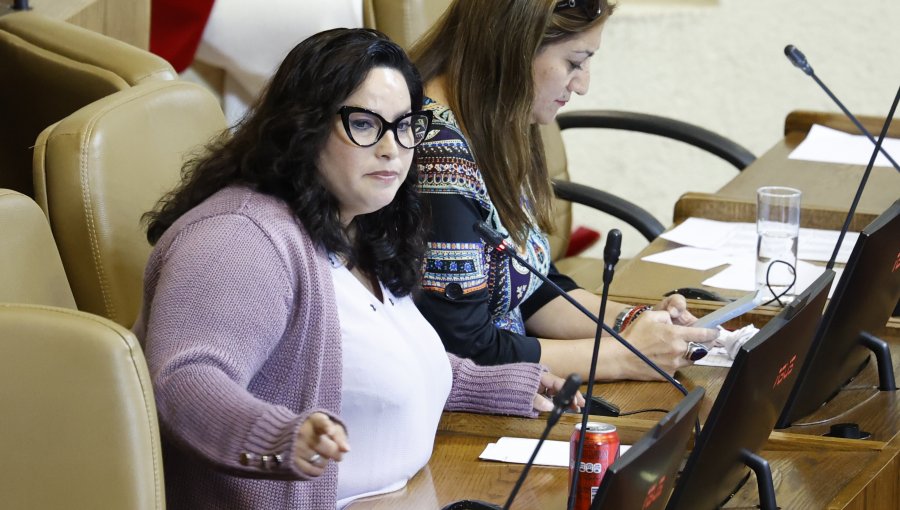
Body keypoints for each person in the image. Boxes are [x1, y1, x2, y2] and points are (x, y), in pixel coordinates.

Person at [135, 28, 581, 510]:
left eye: (406, 125)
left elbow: (370, 362)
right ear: (303, 124)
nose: (393, 148)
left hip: (422, 491)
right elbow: (183, 382)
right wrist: (279, 437)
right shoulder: (239, 238)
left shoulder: (357, 224)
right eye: (366, 124)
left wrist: (490, 383)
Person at [410, 0, 719, 382]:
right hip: (472, 402)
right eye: (575, 62)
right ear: (516, 47)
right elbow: (466, 349)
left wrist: (634, 322)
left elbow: (532, 290)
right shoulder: (437, 158)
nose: (584, 85)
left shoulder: (495, 118)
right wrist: (623, 356)